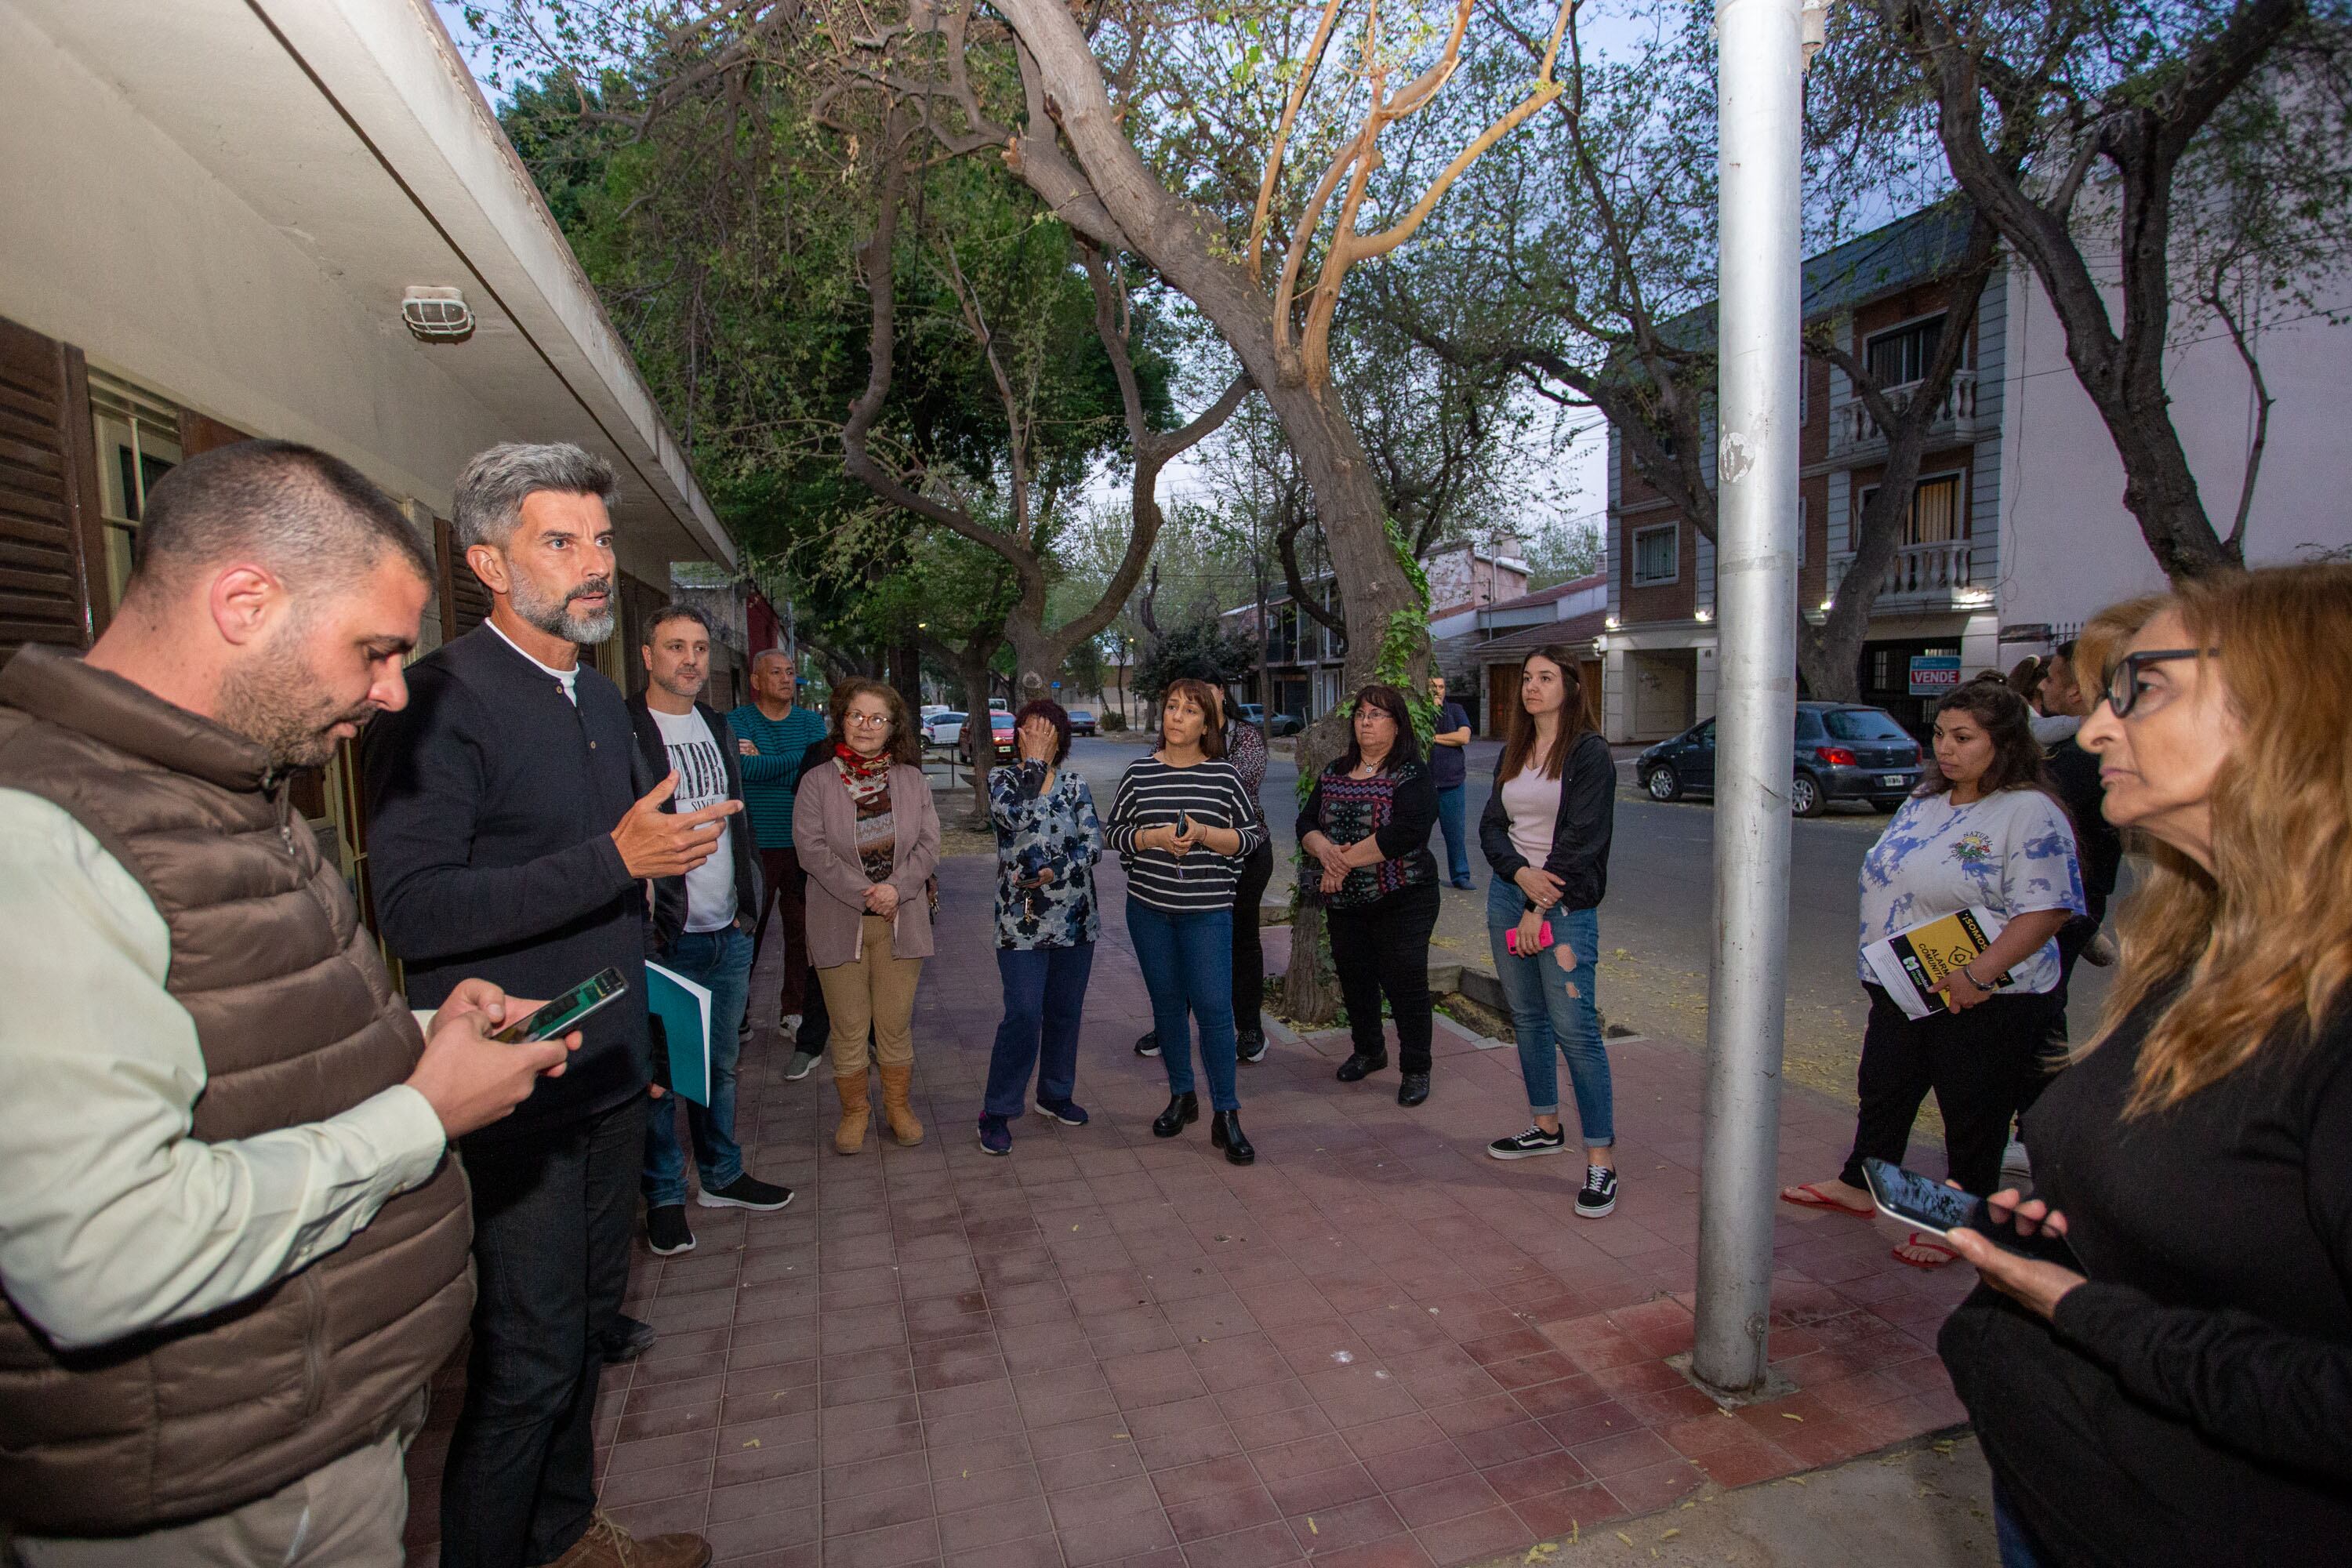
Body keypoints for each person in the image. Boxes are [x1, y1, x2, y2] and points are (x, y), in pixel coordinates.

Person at [0, 441, 577, 1562]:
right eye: (374, 650)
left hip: (299, 1445)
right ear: (245, 601)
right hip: (203, 1500)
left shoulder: (230, 791)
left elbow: (225, 1054)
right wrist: (421, 1119)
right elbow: (104, 1253)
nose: (392, 690)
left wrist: (421, 1037)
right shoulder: (38, 839)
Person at [1940, 565, 2352, 1566]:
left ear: (2295, 706)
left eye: (2145, 687)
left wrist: (2087, 1310)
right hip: (2077, 1497)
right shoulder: (2210, 948)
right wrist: (2075, 1234)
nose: (2093, 730)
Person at [365, 442, 730, 1568]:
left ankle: (569, 1540)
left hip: (612, 1071)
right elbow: (417, 912)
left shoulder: (598, 700)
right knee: (524, 1362)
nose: (594, 567)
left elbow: (628, 873)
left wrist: (651, 1021)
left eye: (602, 542)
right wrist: (619, 863)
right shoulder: (434, 702)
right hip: (510, 1087)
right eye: (559, 542)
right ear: (487, 560)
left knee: (584, 1340)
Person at [1779, 681, 2084, 1269]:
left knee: (1973, 1107)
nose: (1945, 748)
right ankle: (1862, 1180)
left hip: (1986, 991)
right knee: (1884, 1085)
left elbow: (2049, 907)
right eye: (1941, 734)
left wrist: (1981, 973)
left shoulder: (2028, 810)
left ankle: (1962, 1216)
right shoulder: (1925, 798)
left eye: (1964, 738)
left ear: (2004, 743)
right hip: (1908, 982)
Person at [628, 604, 794, 1258]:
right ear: (648, 656)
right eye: (675, 647)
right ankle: (665, 1194)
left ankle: (722, 1175)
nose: (691, 659)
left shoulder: (717, 727)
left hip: (728, 926)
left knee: (719, 1065)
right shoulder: (625, 729)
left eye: (699, 647)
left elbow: (741, 816)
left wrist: (747, 901)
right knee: (659, 1075)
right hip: (661, 934)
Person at [1479, 648, 1621, 1218]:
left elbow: (1584, 837)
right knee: (1528, 1017)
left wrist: (1539, 904)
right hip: (1509, 893)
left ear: (1571, 687)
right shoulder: (1516, 748)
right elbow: (1492, 825)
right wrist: (1517, 876)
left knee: (1576, 1028)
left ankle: (1602, 1160)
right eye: (1527, 679)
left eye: (1545, 678)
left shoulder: (1590, 754)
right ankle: (1544, 1124)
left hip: (1561, 905)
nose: (1531, 688)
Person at [1108, 678, 1267, 1164]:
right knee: (1168, 1008)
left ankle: (1227, 1113)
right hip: (1149, 910)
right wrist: (1153, 838)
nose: (1176, 716)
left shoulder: (1224, 777)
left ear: (1206, 723)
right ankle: (1182, 1095)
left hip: (1207, 912)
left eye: (1189, 710)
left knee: (1216, 1012)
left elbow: (1251, 837)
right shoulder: (1138, 774)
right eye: (1170, 706)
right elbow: (1113, 834)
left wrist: (1203, 835)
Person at [795, 677, 940, 1155]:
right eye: (857, 715)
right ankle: (855, 1111)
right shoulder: (817, 781)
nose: (865, 726)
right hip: (838, 919)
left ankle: (898, 1108)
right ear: (841, 718)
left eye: (877, 718)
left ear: (892, 728)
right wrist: (867, 893)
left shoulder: (912, 780)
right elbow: (812, 851)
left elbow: (927, 845)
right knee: (850, 1027)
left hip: (903, 919)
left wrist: (895, 889)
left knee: (895, 1025)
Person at [1300, 684, 1443, 1105]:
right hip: (1345, 902)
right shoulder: (1334, 771)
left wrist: (1340, 863)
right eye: (1361, 714)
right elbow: (1306, 822)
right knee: (1355, 978)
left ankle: (1416, 1068)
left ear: (1397, 726)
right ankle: (1369, 1051)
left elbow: (1407, 832)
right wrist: (1325, 850)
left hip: (1405, 897)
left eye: (1377, 715)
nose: (1366, 721)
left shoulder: (1412, 775)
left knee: (1405, 982)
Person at [978, 700, 1105, 1155]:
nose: (1038, 735)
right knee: (1024, 1013)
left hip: (1075, 920)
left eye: (1047, 730)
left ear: (1061, 738)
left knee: (1064, 1014)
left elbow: (1094, 845)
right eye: (1029, 729)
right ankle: (997, 1109)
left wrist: (1057, 870)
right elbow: (1014, 822)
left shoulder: (1074, 784)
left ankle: (1055, 1093)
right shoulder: (1002, 781)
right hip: (1021, 922)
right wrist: (1032, 766)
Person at [1135, 687, 1273, 1065]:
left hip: (1241, 857)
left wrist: (1196, 768)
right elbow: (1151, 787)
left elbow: (1238, 787)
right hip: (1177, 863)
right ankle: (1171, 1026)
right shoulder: (1172, 735)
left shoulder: (1244, 736)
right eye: (1175, 703)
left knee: (1240, 943)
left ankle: (1248, 1028)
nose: (1182, 711)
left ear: (1221, 695)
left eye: (1200, 697)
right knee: (1175, 950)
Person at [731, 650, 827, 1057]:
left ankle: (795, 1012)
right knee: (747, 933)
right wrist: (793, 761)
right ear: (756, 680)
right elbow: (740, 770)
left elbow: (815, 770)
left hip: (804, 845)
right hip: (755, 845)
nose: (787, 679)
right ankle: (738, 1015)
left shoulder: (811, 722)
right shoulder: (736, 721)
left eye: (791, 672)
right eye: (777, 672)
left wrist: (766, 762)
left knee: (801, 934)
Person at [1428, 673, 1477, 888]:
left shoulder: (1456, 710)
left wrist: (1434, 738)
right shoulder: (1422, 713)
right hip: (1427, 785)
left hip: (1452, 783)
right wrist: (1449, 738)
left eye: (1441, 686)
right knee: (1419, 835)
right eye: (1433, 687)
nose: (1438, 690)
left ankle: (1461, 876)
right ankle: (1424, 876)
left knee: (1455, 833)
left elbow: (1464, 737)